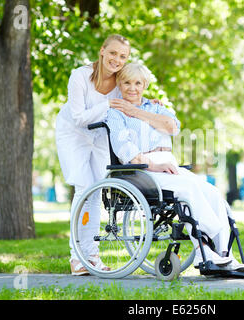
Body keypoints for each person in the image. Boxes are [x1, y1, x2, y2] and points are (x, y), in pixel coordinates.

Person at [106, 63, 244, 272]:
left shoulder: (155, 106)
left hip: (168, 163)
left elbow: (171, 127)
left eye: (137, 83)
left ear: (144, 85)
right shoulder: (115, 113)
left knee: (212, 191)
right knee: (188, 191)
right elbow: (123, 148)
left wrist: (135, 112)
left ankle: (224, 253)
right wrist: (154, 163)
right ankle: (204, 251)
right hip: (144, 168)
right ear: (119, 83)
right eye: (126, 82)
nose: (132, 88)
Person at [55, 35, 164, 276]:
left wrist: (148, 104)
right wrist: (107, 105)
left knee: (97, 190)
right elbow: (79, 118)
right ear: (102, 51)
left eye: (122, 56)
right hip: (73, 134)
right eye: (113, 53)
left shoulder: (120, 81)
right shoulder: (80, 76)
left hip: (99, 135)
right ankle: (77, 257)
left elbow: (132, 95)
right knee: (84, 188)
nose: (117, 60)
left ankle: (91, 255)